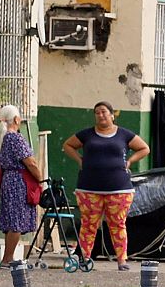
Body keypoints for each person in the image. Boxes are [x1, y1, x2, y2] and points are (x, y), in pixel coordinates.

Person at [62, 101, 150, 270]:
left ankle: (122, 260)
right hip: (89, 188)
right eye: (97, 112)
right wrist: (80, 160)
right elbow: (68, 145)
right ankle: (84, 259)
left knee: (117, 224)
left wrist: (130, 161)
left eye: (103, 112)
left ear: (112, 114)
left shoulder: (124, 134)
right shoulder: (87, 135)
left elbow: (144, 148)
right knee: (88, 225)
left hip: (119, 189)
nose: (100, 115)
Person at [0, 103, 41, 267]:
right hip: (19, 181)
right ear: (17, 119)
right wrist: (39, 178)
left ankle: (7, 257)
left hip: (7, 179)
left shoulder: (0, 137)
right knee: (17, 221)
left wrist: (1, 180)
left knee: (11, 220)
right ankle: (8, 258)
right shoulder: (15, 138)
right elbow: (30, 162)